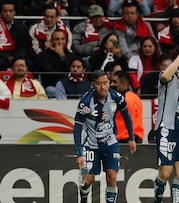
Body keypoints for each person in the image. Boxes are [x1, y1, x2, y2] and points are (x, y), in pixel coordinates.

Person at [74, 70, 136, 203]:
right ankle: (83, 198)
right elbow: (78, 127)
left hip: (110, 142)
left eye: (105, 83)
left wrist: (131, 138)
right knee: (86, 181)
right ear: (93, 85)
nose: (102, 87)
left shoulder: (117, 97)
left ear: (109, 83)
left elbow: (127, 115)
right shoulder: (85, 102)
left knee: (112, 176)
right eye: (98, 84)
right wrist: (79, 153)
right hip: (90, 144)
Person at [154, 39, 179, 203]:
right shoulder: (169, 75)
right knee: (165, 173)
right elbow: (164, 76)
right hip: (166, 128)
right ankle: (157, 199)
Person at [36, 29, 77, 98]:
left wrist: (63, 56)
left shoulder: (71, 55)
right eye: (57, 39)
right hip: (52, 86)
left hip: (69, 87)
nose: (60, 42)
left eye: (62, 39)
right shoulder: (43, 55)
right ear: (51, 41)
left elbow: (73, 72)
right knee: (51, 90)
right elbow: (50, 74)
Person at [110, 70, 144, 143]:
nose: (112, 84)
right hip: (137, 139)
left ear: (124, 83)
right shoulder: (136, 98)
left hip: (123, 138)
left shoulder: (120, 99)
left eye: (115, 82)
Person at [0, 1, 32, 71]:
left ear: (14, 12)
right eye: (5, 11)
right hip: (2, 56)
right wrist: (6, 57)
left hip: (17, 56)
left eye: (10, 11)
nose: (8, 14)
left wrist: (15, 57)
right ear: (1, 13)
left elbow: (25, 47)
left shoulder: (22, 27)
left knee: (29, 63)